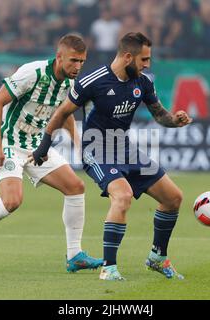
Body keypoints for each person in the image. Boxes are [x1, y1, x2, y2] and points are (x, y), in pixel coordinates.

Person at [29, 32, 192, 281]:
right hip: (96, 150)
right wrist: (44, 146)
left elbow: (160, 114)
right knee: (123, 196)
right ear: (128, 56)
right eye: (144, 59)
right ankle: (109, 268)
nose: (147, 65)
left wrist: (174, 121)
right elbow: (62, 113)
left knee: (173, 198)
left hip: (125, 149)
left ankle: (157, 258)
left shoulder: (143, 82)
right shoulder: (93, 81)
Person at [0, 34, 103, 273]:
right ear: (59, 57)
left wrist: (77, 142)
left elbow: (63, 114)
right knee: (12, 201)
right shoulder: (32, 72)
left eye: (82, 62)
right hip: (9, 143)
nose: (78, 67)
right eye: (73, 61)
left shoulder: (71, 84)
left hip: (36, 147)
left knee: (75, 187)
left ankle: (74, 255)